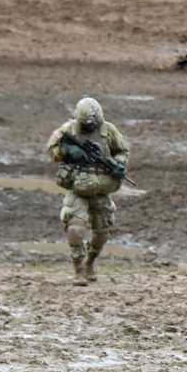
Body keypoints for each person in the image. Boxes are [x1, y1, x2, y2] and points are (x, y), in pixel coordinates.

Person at [46, 95, 131, 287]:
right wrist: (68, 152)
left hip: (102, 185)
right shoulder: (67, 130)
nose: (89, 128)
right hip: (77, 185)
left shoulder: (109, 130)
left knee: (102, 232)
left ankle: (89, 261)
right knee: (76, 228)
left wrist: (120, 164)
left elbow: (122, 151)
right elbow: (52, 150)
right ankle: (79, 269)